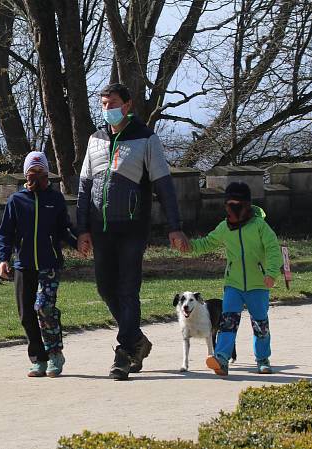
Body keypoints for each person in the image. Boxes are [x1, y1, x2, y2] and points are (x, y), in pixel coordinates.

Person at [76, 83, 189, 380]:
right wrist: (82, 229)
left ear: (127, 105)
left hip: (132, 229)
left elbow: (164, 186)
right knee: (105, 288)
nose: (107, 108)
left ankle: (124, 352)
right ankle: (137, 339)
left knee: (128, 289)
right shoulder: (95, 139)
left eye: (112, 103)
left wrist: (174, 227)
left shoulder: (146, 139)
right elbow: (84, 187)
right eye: (103, 104)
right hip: (101, 229)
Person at [185, 181, 282, 376]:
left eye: (237, 205)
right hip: (233, 285)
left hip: (258, 285)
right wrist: (188, 246)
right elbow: (207, 243)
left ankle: (262, 359)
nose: (232, 209)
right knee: (227, 321)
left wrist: (271, 273)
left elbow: (273, 249)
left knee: (260, 324)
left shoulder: (260, 226)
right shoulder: (224, 227)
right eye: (229, 205)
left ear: (246, 206)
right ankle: (221, 359)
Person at [0, 151, 77, 378]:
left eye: (41, 172)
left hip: (48, 264)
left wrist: (78, 242)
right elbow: (6, 233)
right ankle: (38, 359)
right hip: (23, 265)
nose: (37, 176)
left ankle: (54, 355)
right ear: (26, 174)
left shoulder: (55, 199)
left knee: (44, 308)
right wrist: (4, 258)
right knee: (26, 314)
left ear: (46, 174)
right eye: (32, 172)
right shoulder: (16, 200)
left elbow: (64, 228)